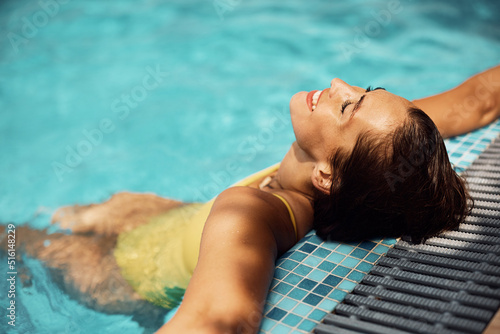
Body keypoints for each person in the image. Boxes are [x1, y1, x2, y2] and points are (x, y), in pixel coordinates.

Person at [6, 65, 500, 334]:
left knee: (16, 240)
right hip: (171, 221)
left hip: (122, 274)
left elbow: (222, 317)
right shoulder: (375, 152)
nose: (337, 86)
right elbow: (478, 99)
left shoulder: (252, 213)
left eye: (348, 104)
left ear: (327, 176)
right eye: (364, 90)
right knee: (111, 205)